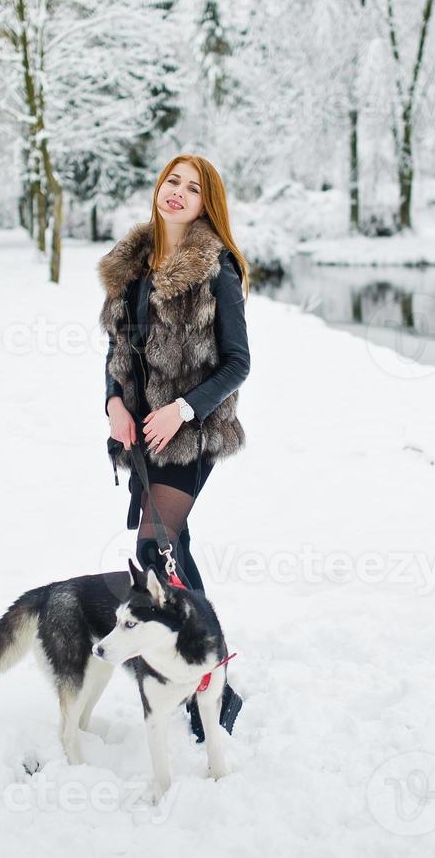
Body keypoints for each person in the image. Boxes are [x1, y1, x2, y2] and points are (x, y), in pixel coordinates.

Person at [98, 153, 251, 742]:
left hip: (192, 431)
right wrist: (114, 403)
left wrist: (183, 408)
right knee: (174, 549)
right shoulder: (129, 266)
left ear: (206, 201)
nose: (178, 192)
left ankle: (205, 674)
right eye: (172, 181)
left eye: (193, 187)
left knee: (157, 547)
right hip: (138, 434)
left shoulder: (217, 270)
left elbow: (239, 364)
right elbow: (117, 354)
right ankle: (200, 670)